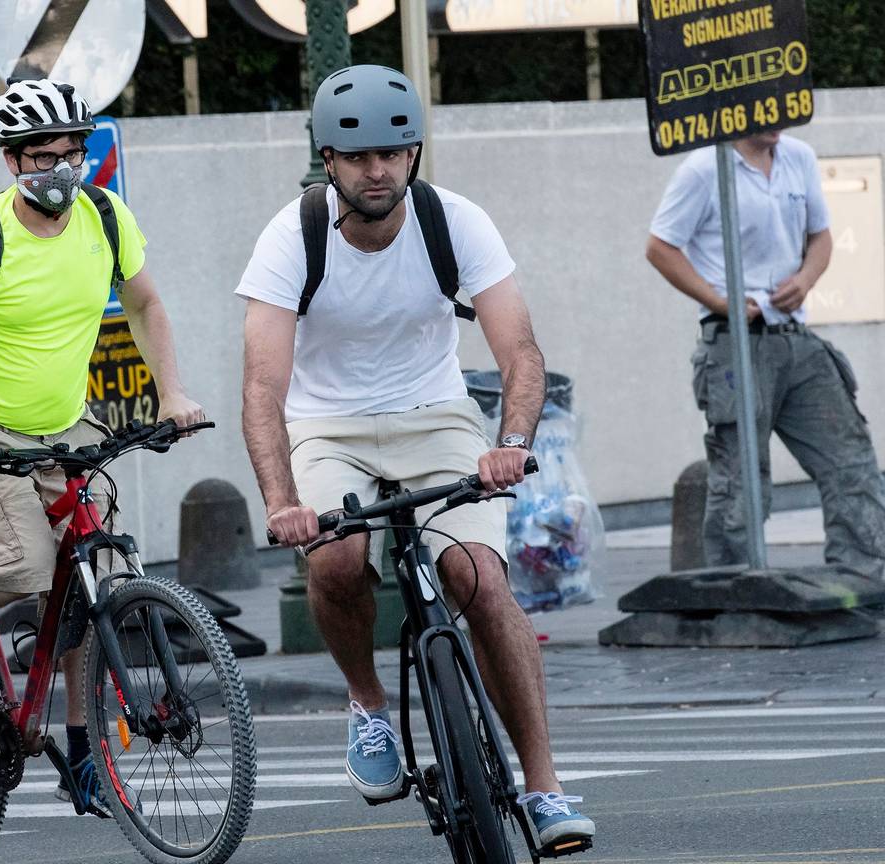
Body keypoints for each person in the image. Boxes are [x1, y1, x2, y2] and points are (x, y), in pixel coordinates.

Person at [236, 64, 594, 849]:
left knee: (478, 578)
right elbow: (263, 388)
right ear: (327, 160)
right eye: (359, 156)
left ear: (414, 154)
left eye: (394, 153)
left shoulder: (455, 221)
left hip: (434, 417)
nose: (378, 170)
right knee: (335, 563)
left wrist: (511, 443)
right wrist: (280, 501)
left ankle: (543, 787)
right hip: (326, 425)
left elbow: (520, 353)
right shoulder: (289, 238)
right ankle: (368, 708)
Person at [0, 78, 204, 811]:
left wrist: (171, 393)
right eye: (42, 156)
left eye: (74, 152)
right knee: (22, 567)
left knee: (84, 573)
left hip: (67, 422)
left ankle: (80, 747)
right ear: (11, 161)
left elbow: (146, 302)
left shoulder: (104, 213)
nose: (61, 169)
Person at [647, 131, 885, 576]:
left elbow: (822, 237)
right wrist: (723, 301)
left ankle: (865, 574)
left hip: (795, 337)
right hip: (734, 340)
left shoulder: (798, 156)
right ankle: (734, 583)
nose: (776, 119)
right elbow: (660, 247)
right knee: (740, 479)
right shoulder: (704, 168)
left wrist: (807, 278)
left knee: (849, 459)